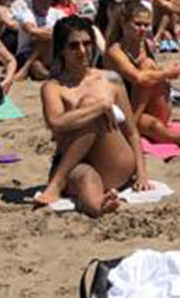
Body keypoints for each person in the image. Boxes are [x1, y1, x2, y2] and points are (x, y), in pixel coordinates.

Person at [38, 16, 147, 216]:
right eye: (74, 46)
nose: (82, 51)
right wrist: (100, 106)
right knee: (85, 178)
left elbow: (131, 132)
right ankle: (98, 206)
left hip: (115, 161)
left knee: (91, 107)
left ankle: (57, 182)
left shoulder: (111, 79)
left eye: (87, 43)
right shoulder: (52, 86)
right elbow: (54, 122)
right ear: (62, 49)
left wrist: (142, 173)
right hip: (77, 163)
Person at [102, 0, 180, 149]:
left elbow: (151, 80)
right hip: (126, 107)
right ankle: (179, 138)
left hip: (148, 107)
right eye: (137, 24)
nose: (143, 29)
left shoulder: (145, 45)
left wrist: (163, 73)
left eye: (146, 25)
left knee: (150, 66)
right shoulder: (115, 51)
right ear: (124, 24)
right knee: (154, 126)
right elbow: (138, 78)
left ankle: (134, 125)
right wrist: (167, 73)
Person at [14, 0, 63, 80]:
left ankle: (27, 68)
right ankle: (32, 68)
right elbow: (32, 31)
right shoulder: (27, 13)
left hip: (50, 53)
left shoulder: (56, 13)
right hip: (26, 53)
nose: (47, 1)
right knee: (37, 66)